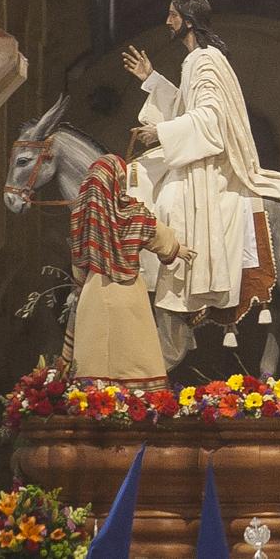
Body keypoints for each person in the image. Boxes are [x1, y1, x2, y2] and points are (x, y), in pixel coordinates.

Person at [122, 0, 280, 344]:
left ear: (187, 20)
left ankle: (189, 286)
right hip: (193, 150)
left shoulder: (205, 60)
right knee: (139, 173)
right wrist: (151, 79)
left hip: (213, 162)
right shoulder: (197, 60)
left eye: (172, 15)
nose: (167, 21)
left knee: (170, 199)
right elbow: (186, 106)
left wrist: (161, 130)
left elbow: (211, 118)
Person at [67, 155, 194, 390]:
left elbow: (78, 262)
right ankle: (137, 404)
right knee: (134, 351)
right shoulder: (133, 213)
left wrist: (80, 282)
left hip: (94, 292)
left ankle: (94, 402)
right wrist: (177, 251)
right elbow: (161, 237)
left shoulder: (82, 218)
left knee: (94, 355)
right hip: (128, 291)